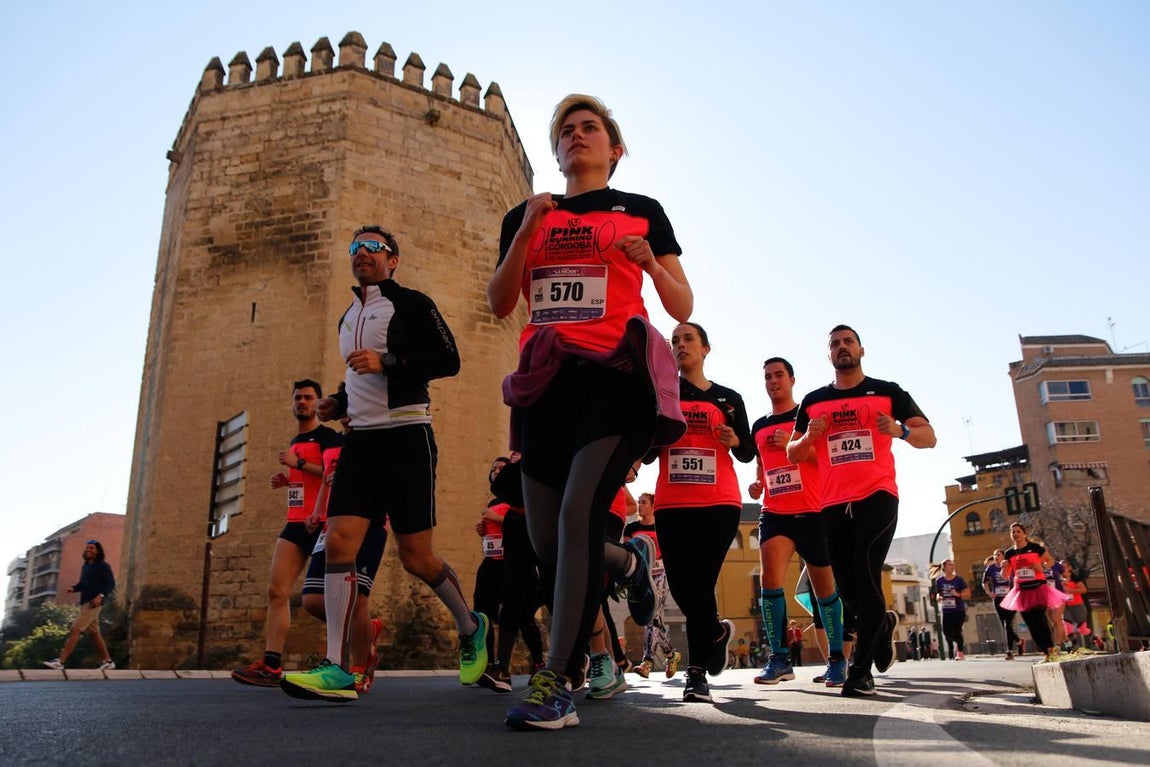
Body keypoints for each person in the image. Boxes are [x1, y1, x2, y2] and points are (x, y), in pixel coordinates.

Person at [488, 94, 692, 730]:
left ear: (615, 148)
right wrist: (524, 232)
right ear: (556, 152)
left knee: (579, 515)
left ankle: (557, 677)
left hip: (616, 377)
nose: (577, 137)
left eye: (590, 129)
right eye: (566, 132)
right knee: (551, 542)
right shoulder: (528, 214)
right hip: (546, 380)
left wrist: (651, 264)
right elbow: (499, 302)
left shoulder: (640, 212)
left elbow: (682, 303)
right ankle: (629, 562)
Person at [279, 225, 487, 702]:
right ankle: (337, 668)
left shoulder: (412, 303)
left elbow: (448, 358)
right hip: (362, 444)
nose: (363, 253)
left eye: (374, 247)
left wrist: (388, 361)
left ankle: (470, 624)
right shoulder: (347, 316)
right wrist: (336, 401)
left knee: (416, 557)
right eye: (356, 247)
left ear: (393, 259)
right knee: (339, 546)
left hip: (408, 436)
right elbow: (358, 380)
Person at [787, 325, 936, 697]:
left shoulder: (888, 392)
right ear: (829, 355)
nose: (841, 348)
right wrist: (810, 436)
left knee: (866, 574)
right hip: (833, 503)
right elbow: (793, 453)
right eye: (835, 344)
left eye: (847, 342)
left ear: (861, 350)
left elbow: (929, 437)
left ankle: (860, 671)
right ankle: (882, 627)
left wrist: (899, 429)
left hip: (877, 496)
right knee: (849, 589)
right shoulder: (814, 400)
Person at [653, 322, 756, 703]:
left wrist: (734, 439)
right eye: (675, 341)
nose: (681, 346)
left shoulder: (729, 398)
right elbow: (647, 452)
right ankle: (714, 631)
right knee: (683, 587)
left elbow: (747, 452)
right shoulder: (663, 393)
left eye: (688, 340)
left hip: (719, 502)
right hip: (672, 503)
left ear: (706, 349)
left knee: (699, 584)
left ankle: (695, 675)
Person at [233, 380, 341, 686]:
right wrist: (287, 479)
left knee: (322, 600)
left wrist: (300, 463)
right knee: (276, 591)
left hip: (322, 523)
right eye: (298, 398)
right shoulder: (296, 439)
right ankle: (271, 665)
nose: (302, 402)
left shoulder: (328, 436)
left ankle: (357, 634)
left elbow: (334, 473)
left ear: (319, 403)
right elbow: (307, 479)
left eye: (308, 398)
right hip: (295, 522)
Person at [748, 356, 846, 687]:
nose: (773, 381)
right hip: (774, 511)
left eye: (779, 375)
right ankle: (778, 659)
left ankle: (837, 660)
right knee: (770, 582)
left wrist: (794, 446)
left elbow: (828, 458)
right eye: (767, 377)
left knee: (824, 588)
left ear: (792, 379)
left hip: (813, 510)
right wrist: (758, 483)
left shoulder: (806, 416)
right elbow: (762, 466)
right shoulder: (759, 425)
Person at [299, 416, 388, 693]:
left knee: (358, 600)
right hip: (331, 527)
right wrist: (317, 511)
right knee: (313, 600)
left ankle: (359, 670)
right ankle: (366, 632)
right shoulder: (335, 443)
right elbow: (327, 478)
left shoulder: (378, 440)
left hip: (368, 524)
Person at [624, 491, 681, 681]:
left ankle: (647, 662)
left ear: (653, 505)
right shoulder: (631, 528)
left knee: (651, 615)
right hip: (641, 576)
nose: (639, 505)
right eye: (638, 502)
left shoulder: (662, 527)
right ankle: (671, 655)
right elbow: (626, 553)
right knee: (654, 618)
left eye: (643, 502)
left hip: (660, 575)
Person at [43, 540, 116, 670]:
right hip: (85, 603)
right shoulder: (86, 567)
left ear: (98, 551)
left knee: (75, 629)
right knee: (94, 634)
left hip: (94, 604)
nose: (88, 550)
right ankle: (108, 662)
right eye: (87, 547)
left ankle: (60, 662)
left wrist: (101, 596)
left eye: (92, 548)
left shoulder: (103, 566)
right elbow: (82, 585)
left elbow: (110, 584)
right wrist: (73, 588)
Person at [1000, 523, 1066, 661]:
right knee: (1030, 622)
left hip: (1037, 587)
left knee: (1040, 619)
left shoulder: (1035, 548)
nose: (1016, 534)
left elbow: (1050, 561)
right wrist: (1003, 567)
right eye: (1013, 532)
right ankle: (1045, 651)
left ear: (1024, 534)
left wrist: (1041, 566)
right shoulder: (1009, 553)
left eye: (1018, 531)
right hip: (1021, 590)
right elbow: (1006, 575)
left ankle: (1050, 649)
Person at [983, 549, 1019, 659]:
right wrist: (989, 592)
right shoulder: (991, 568)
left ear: (1004, 557)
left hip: (1011, 598)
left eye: (998, 555)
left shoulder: (1010, 566)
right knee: (1004, 624)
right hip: (998, 598)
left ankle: (1009, 651)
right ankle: (1019, 641)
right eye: (994, 555)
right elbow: (984, 582)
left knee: (1008, 623)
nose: (996, 557)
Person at [934, 559, 971, 660]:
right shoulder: (940, 580)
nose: (952, 567)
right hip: (946, 610)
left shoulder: (959, 580)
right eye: (950, 565)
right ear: (944, 567)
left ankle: (960, 652)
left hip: (958, 610)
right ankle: (959, 642)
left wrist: (957, 594)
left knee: (957, 631)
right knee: (946, 632)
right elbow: (939, 592)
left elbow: (968, 593)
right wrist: (938, 597)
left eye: (953, 565)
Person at [1060, 561, 1090, 646]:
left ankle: (1091, 637)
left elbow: (1083, 590)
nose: (1063, 569)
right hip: (1065, 605)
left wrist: (1070, 590)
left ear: (1069, 568)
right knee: (1067, 624)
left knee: (1082, 627)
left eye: (1065, 567)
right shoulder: (1058, 578)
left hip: (1077, 604)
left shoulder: (1075, 578)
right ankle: (1074, 643)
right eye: (1061, 568)